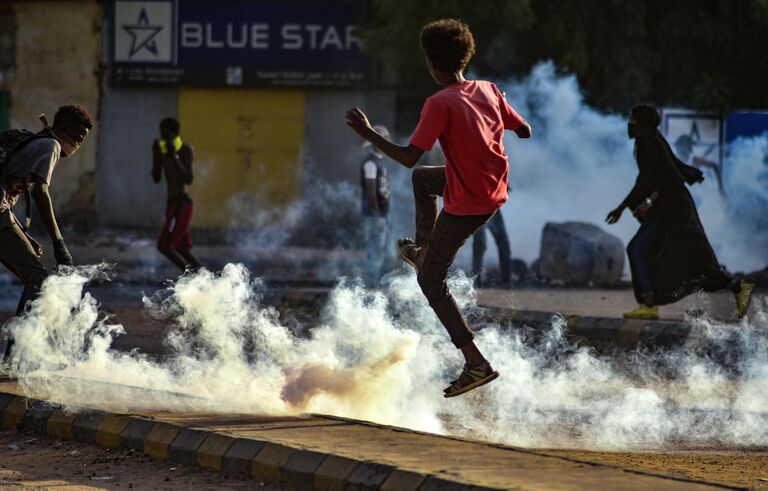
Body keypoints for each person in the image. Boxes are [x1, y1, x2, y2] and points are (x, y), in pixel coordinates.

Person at [346, 19, 531, 397]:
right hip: (488, 191)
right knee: (426, 181)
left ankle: (475, 363)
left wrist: (368, 133)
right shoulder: (489, 90)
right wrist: (500, 111)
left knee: (430, 281)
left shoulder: (439, 103)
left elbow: (409, 157)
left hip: (469, 203)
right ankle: (422, 247)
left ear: (432, 64)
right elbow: (524, 129)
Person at [605, 104, 753, 320]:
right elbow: (646, 180)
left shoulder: (650, 142)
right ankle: (736, 288)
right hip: (667, 209)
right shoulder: (648, 140)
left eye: (632, 120)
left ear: (641, 122)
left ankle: (649, 305)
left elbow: (670, 178)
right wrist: (623, 206)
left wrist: (647, 201)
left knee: (642, 250)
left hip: (673, 211)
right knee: (682, 256)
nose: (630, 124)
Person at [0, 104, 93, 363]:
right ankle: (14, 357)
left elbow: (6, 197)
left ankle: (14, 356)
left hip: (2, 215)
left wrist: (23, 235)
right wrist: (58, 242)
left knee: (35, 276)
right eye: (79, 137)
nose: (78, 144)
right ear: (63, 130)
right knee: (38, 279)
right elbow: (41, 192)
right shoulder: (50, 146)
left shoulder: (37, 142)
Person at [152, 117, 201, 272]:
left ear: (175, 134)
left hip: (182, 204)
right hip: (171, 204)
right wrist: (155, 155)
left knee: (165, 246)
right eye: (162, 135)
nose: (164, 138)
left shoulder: (186, 150)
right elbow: (156, 178)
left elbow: (189, 178)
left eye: (167, 135)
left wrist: (175, 157)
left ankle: (190, 276)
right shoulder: (161, 150)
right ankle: (203, 277)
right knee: (180, 247)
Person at [360, 124, 391, 286]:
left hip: (381, 214)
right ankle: (370, 284)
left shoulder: (379, 161)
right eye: (385, 139)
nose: (388, 142)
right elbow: (371, 192)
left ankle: (373, 282)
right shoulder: (371, 163)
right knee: (374, 251)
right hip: (374, 215)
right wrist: (377, 215)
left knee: (379, 250)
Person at [472, 209, 512, 288]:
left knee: (503, 244)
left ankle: (507, 281)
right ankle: (476, 280)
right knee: (480, 244)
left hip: (492, 207)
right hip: (477, 208)